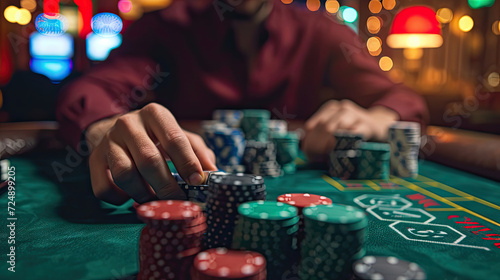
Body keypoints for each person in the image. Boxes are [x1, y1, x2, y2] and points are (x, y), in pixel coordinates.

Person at [56, 0, 428, 205]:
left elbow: (401, 98)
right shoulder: (164, 27)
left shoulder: (322, 32)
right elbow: (92, 90)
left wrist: (377, 118)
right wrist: (105, 127)